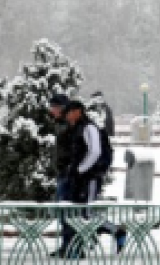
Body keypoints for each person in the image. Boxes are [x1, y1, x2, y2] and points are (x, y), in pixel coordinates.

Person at [63, 100, 126, 258]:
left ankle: (116, 231)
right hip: (81, 178)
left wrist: (80, 169)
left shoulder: (88, 127)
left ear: (78, 111)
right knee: (78, 213)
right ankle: (80, 247)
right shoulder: (78, 128)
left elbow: (95, 152)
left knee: (87, 214)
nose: (67, 116)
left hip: (89, 178)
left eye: (69, 112)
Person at [47, 94, 74, 258]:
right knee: (64, 212)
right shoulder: (60, 124)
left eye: (54, 107)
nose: (51, 111)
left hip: (69, 176)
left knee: (68, 213)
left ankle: (71, 247)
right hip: (62, 174)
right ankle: (69, 245)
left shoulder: (69, 125)